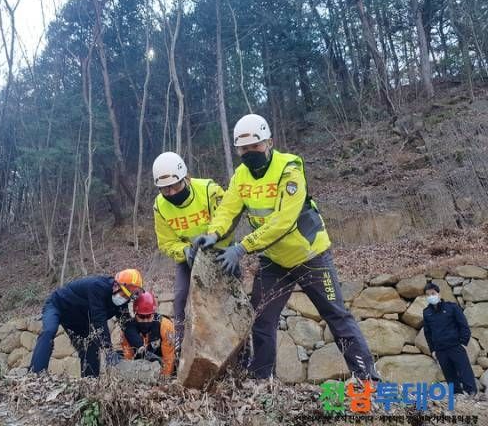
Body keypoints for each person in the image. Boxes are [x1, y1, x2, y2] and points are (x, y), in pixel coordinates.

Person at [193, 113, 379, 381]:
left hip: (310, 255)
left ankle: (366, 377)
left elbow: (283, 220)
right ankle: (262, 380)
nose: (249, 152)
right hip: (274, 261)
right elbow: (227, 209)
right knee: (260, 319)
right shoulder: (241, 176)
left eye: (255, 145)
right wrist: (213, 234)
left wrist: (242, 248)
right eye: (243, 148)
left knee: (336, 315)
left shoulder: (289, 168)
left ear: (269, 142)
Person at [152, 151, 229, 348]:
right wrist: (185, 251)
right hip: (188, 256)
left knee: (224, 298)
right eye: (164, 189)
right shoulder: (160, 206)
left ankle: (238, 348)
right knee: (180, 298)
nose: (171, 193)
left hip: (219, 250)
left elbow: (227, 219)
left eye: (174, 186)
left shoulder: (209, 190)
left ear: (186, 177)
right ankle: (180, 345)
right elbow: (166, 242)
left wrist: (216, 241)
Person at [29, 269, 143, 377]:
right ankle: (35, 375)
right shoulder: (97, 287)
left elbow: (127, 325)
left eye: (127, 297)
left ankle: (90, 382)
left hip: (78, 319)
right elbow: (99, 319)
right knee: (49, 331)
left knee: (91, 347)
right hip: (58, 305)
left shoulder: (121, 303)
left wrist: (141, 347)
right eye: (123, 294)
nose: (124, 299)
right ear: (116, 285)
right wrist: (108, 349)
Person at [423, 282, 477, 395]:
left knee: (465, 371)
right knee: (449, 375)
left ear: (439, 294)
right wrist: (432, 350)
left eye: (433, 293)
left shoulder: (452, 307)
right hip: (440, 350)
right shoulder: (426, 312)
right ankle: (457, 396)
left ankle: (472, 394)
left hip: (455, 346)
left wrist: (463, 342)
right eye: (428, 295)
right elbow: (427, 333)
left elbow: (463, 325)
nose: (430, 296)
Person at [121, 291, 176, 377]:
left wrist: (164, 379)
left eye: (149, 316)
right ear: (135, 313)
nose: (145, 320)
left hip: (160, 364)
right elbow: (128, 358)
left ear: (153, 314)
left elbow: (169, 358)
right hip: (139, 367)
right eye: (141, 317)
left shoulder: (166, 326)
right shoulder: (128, 330)